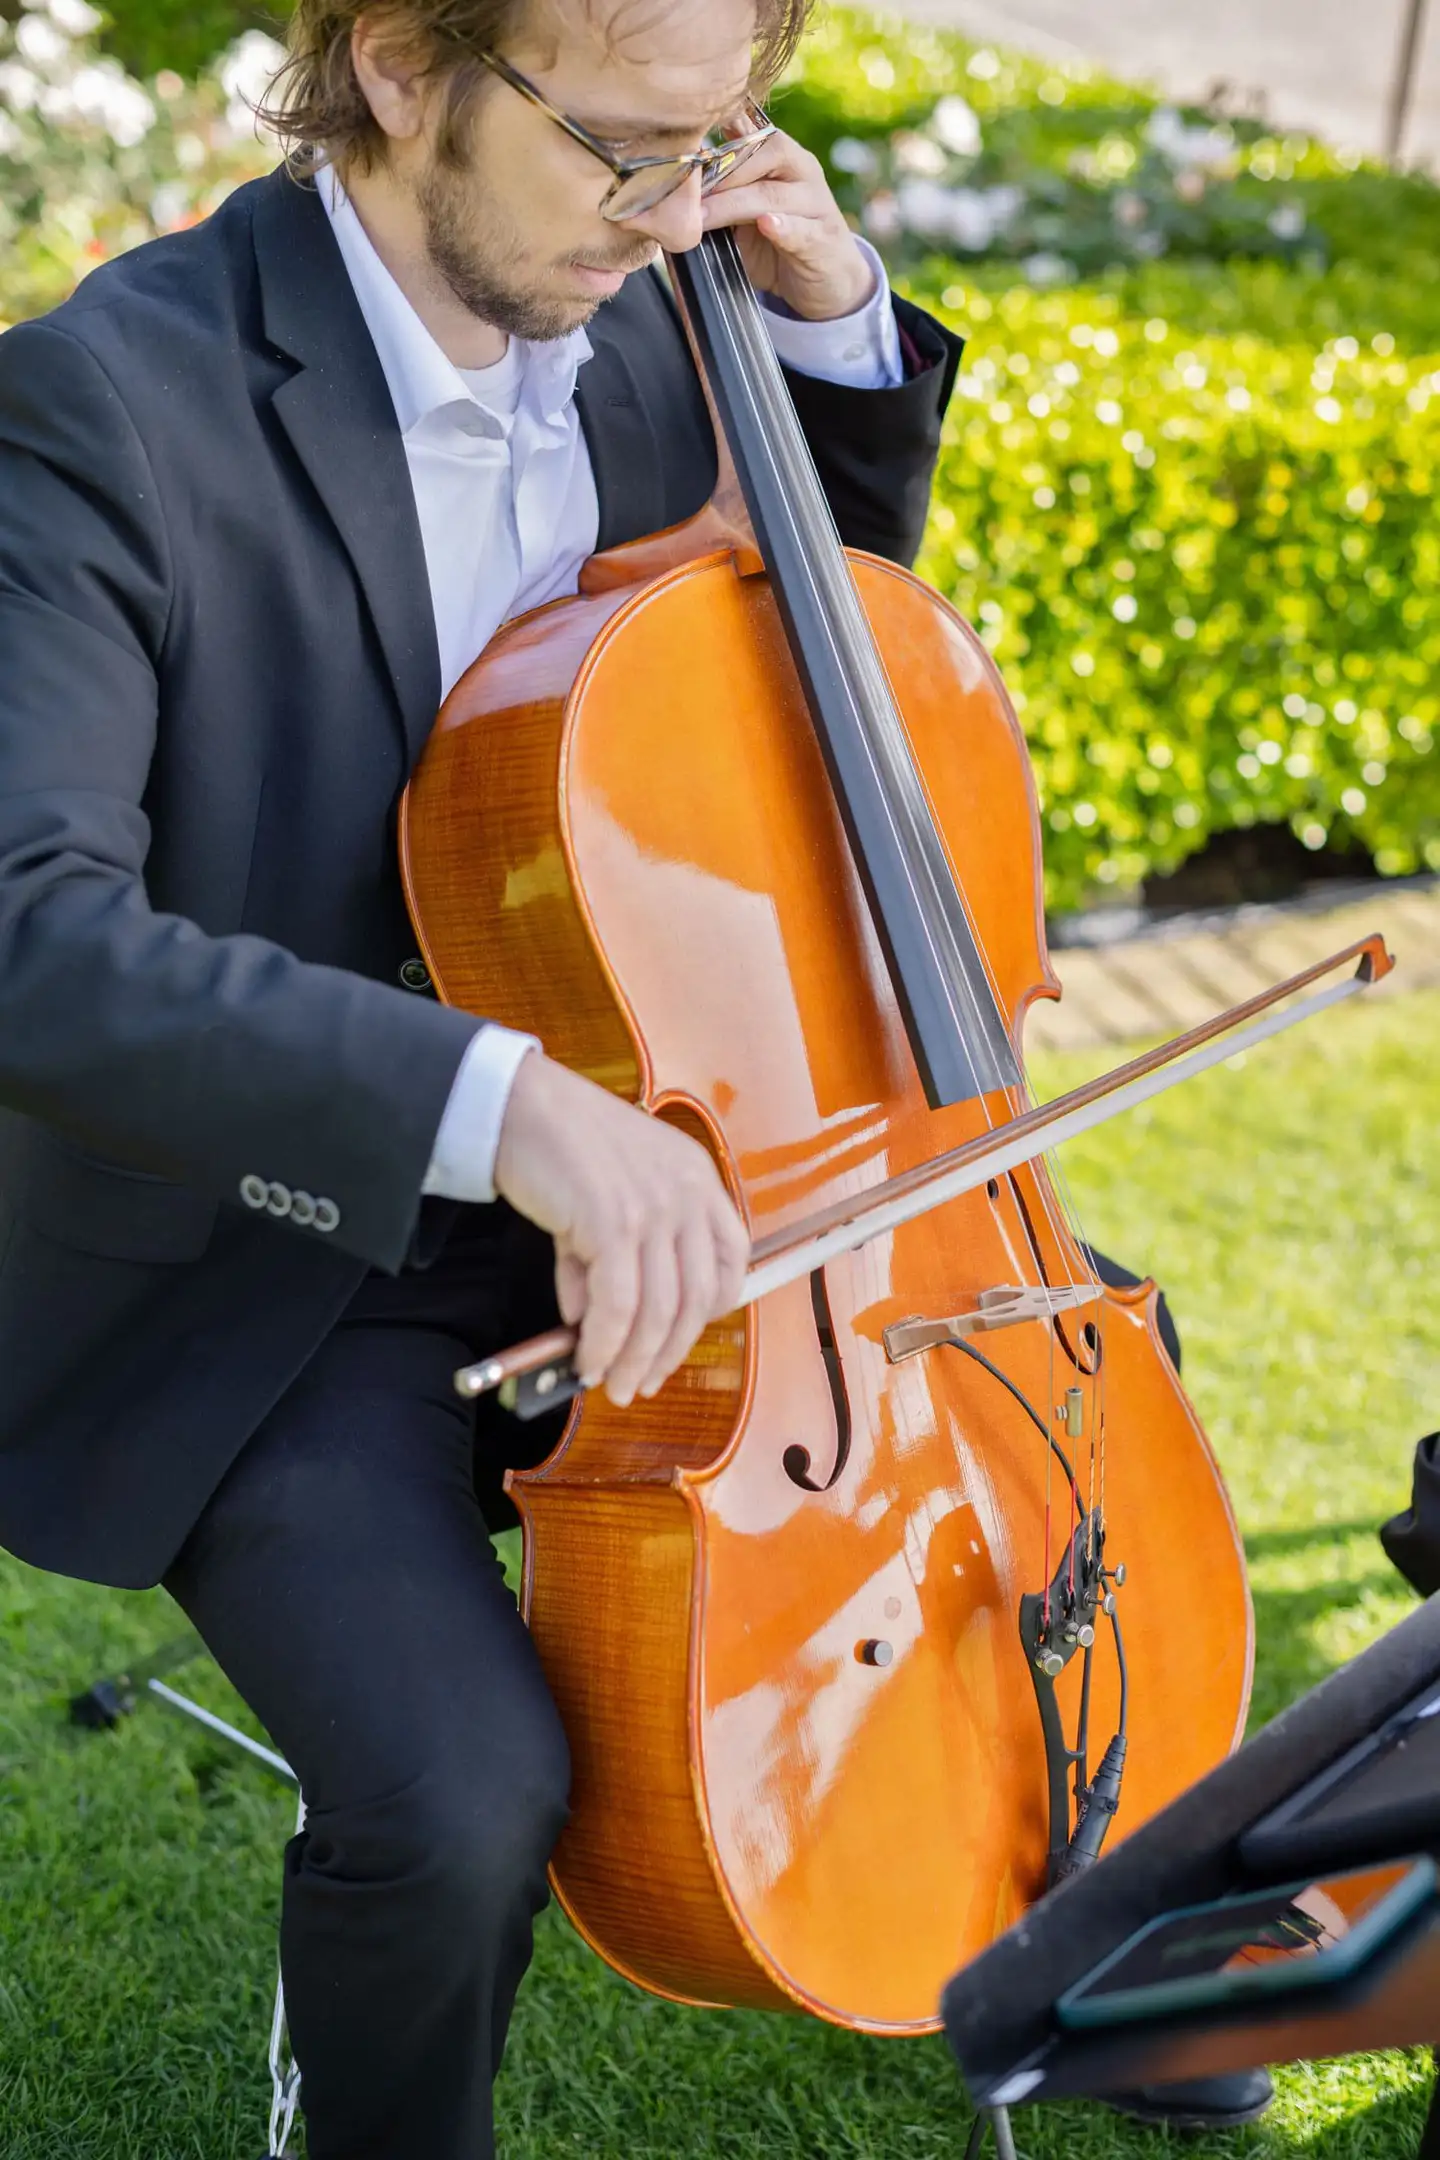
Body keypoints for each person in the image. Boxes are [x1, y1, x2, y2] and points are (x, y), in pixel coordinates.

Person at [0, 0, 1269, 2147]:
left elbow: (812, 671)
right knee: (458, 1791)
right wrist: (507, 1109)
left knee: (1054, 1461)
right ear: (401, 63)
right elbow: (31, 930)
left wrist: (840, 338)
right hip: (311, 1246)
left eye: (725, 144)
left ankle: (1106, 1929)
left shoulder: (666, 308)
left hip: (737, 1181)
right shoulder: (108, 406)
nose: (677, 210)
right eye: (626, 149)